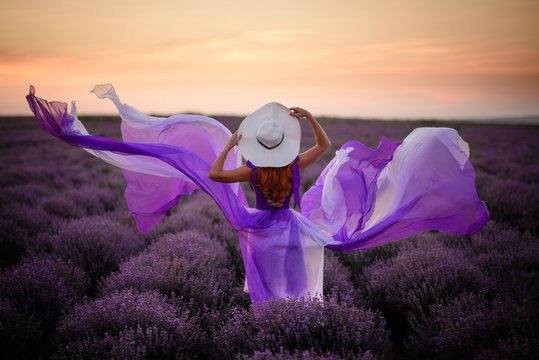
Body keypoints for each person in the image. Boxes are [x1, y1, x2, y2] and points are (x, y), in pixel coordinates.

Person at [26, 84, 490, 304]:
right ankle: (300, 323)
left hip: (257, 229)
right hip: (292, 227)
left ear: (254, 146)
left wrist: (229, 144)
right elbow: (326, 148)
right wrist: (309, 117)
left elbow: (208, 172)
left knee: (264, 284)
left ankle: (268, 325)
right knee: (299, 281)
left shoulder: (248, 170)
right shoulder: (293, 163)